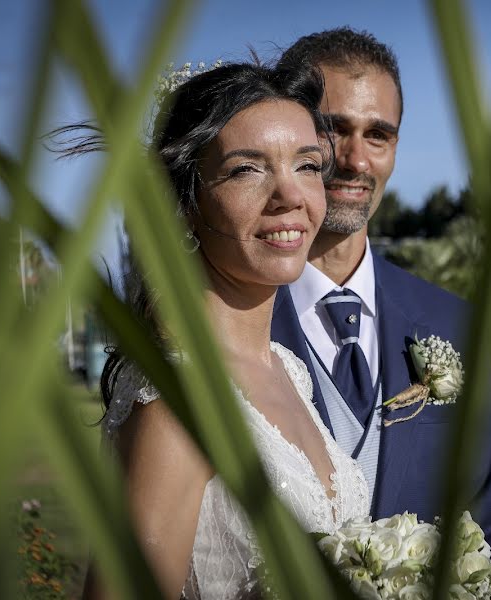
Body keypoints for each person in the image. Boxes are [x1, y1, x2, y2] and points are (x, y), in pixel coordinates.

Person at [77, 61, 370, 599]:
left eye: (307, 165)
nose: (291, 196)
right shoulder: (178, 402)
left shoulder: (289, 370)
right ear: (187, 204)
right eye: (246, 170)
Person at [272, 28, 491, 567]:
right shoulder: (221, 322)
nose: (357, 160)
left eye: (378, 135)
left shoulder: (454, 324)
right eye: (332, 130)